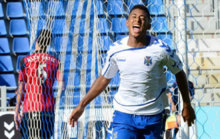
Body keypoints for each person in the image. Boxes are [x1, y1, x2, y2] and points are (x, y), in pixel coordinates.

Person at [69, 4, 196, 139]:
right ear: (127, 23)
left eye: (142, 18)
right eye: (134, 17)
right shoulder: (116, 50)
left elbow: (179, 73)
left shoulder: (161, 49)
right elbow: (104, 78)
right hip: (124, 115)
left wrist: (187, 105)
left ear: (148, 25)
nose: (138, 20)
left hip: (153, 116)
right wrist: (81, 105)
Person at [14, 29, 63, 138]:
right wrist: (55, 101)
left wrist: (17, 110)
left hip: (31, 109)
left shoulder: (25, 61)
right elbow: (62, 86)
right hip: (48, 111)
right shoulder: (55, 61)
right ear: (48, 43)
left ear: (36, 41)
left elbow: (21, 89)